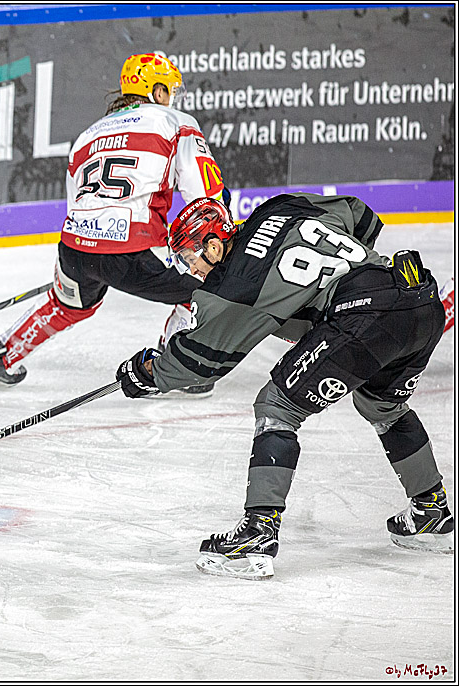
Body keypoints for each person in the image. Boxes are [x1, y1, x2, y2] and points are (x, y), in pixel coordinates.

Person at [115, 194, 454, 580]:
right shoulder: (278, 208)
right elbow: (361, 217)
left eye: (190, 259)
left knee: (277, 407)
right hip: (419, 302)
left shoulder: (235, 286)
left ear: (213, 245)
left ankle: (257, 534)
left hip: (366, 314)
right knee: (383, 406)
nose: (191, 271)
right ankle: (431, 511)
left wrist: (148, 374)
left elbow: (200, 364)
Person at [0, 53, 228, 393]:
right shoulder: (174, 121)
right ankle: (173, 365)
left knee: (67, 306)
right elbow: (206, 198)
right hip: (136, 250)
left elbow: (77, 203)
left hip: (75, 251)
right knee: (211, 283)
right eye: (170, 91)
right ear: (158, 91)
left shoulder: (86, 136)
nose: (172, 99)